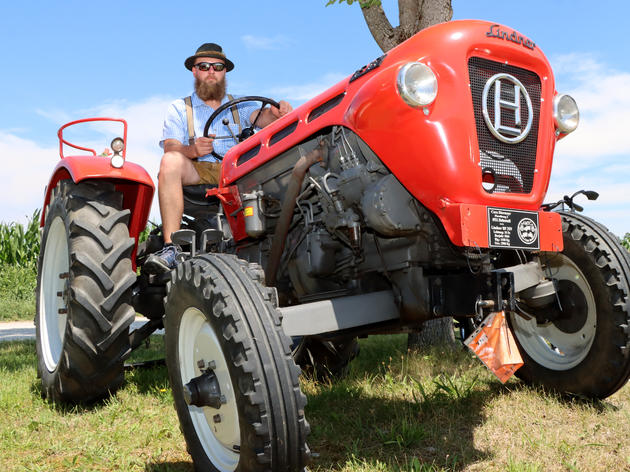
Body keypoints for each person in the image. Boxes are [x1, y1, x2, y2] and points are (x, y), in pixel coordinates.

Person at [145, 43, 292, 272]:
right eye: (204, 66)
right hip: (198, 171)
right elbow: (171, 147)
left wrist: (278, 113)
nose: (211, 71)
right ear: (194, 71)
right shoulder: (179, 108)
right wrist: (192, 151)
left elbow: (263, 119)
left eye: (217, 66)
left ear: (225, 72)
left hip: (235, 170)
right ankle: (171, 247)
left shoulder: (241, 106)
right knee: (170, 162)